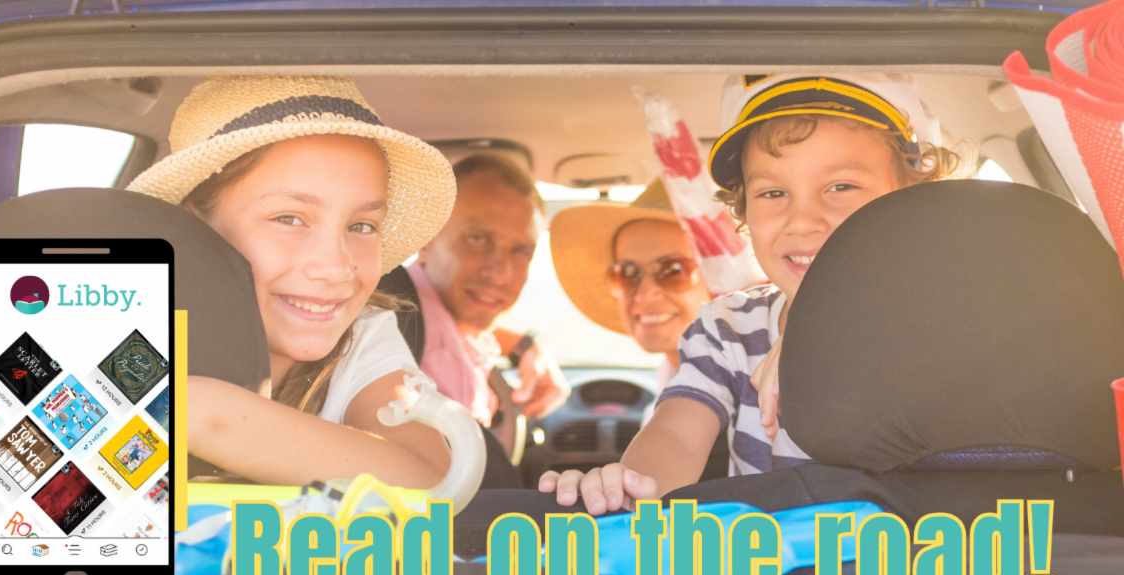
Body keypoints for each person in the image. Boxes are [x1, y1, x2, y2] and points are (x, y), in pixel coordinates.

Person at [540, 73, 967, 514]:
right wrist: (631, 488)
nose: (802, 220)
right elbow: (676, 435)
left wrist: (827, 335)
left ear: (913, 203)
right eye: (773, 192)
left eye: (841, 187)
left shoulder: (946, 322)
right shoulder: (728, 328)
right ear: (743, 211)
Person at [127, 75, 464, 488]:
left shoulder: (362, 337)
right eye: (288, 219)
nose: (336, 267)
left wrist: (199, 413)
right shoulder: (124, 321)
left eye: (361, 225)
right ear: (192, 228)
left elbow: (433, 477)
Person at [384, 153, 571, 428]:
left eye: (521, 251)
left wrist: (523, 345)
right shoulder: (440, 358)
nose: (500, 273)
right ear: (425, 239)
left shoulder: (399, 307)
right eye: (477, 238)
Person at [547, 179, 712, 423]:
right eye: (626, 274)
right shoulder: (671, 375)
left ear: (722, 280)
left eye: (673, 271)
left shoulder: (753, 397)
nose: (645, 294)